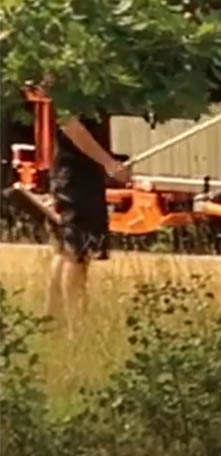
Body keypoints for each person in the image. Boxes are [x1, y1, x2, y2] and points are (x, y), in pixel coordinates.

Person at [46, 111, 130, 330]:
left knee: (66, 249)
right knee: (77, 252)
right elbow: (70, 125)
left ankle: (53, 321)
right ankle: (77, 325)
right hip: (75, 176)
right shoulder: (68, 86)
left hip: (80, 175)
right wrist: (109, 163)